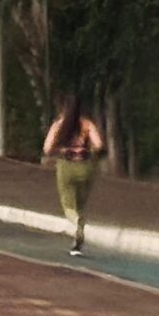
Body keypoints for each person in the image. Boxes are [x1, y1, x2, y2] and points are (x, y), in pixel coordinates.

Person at [42, 93, 106, 256]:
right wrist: (86, 151)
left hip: (66, 166)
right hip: (86, 167)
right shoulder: (86, 124)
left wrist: (62, 150)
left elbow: (47, 148)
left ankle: (76, 222)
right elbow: (99, 145)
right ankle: (77, 243)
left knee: (68, 204)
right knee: (80, 203)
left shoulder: (59, 125)